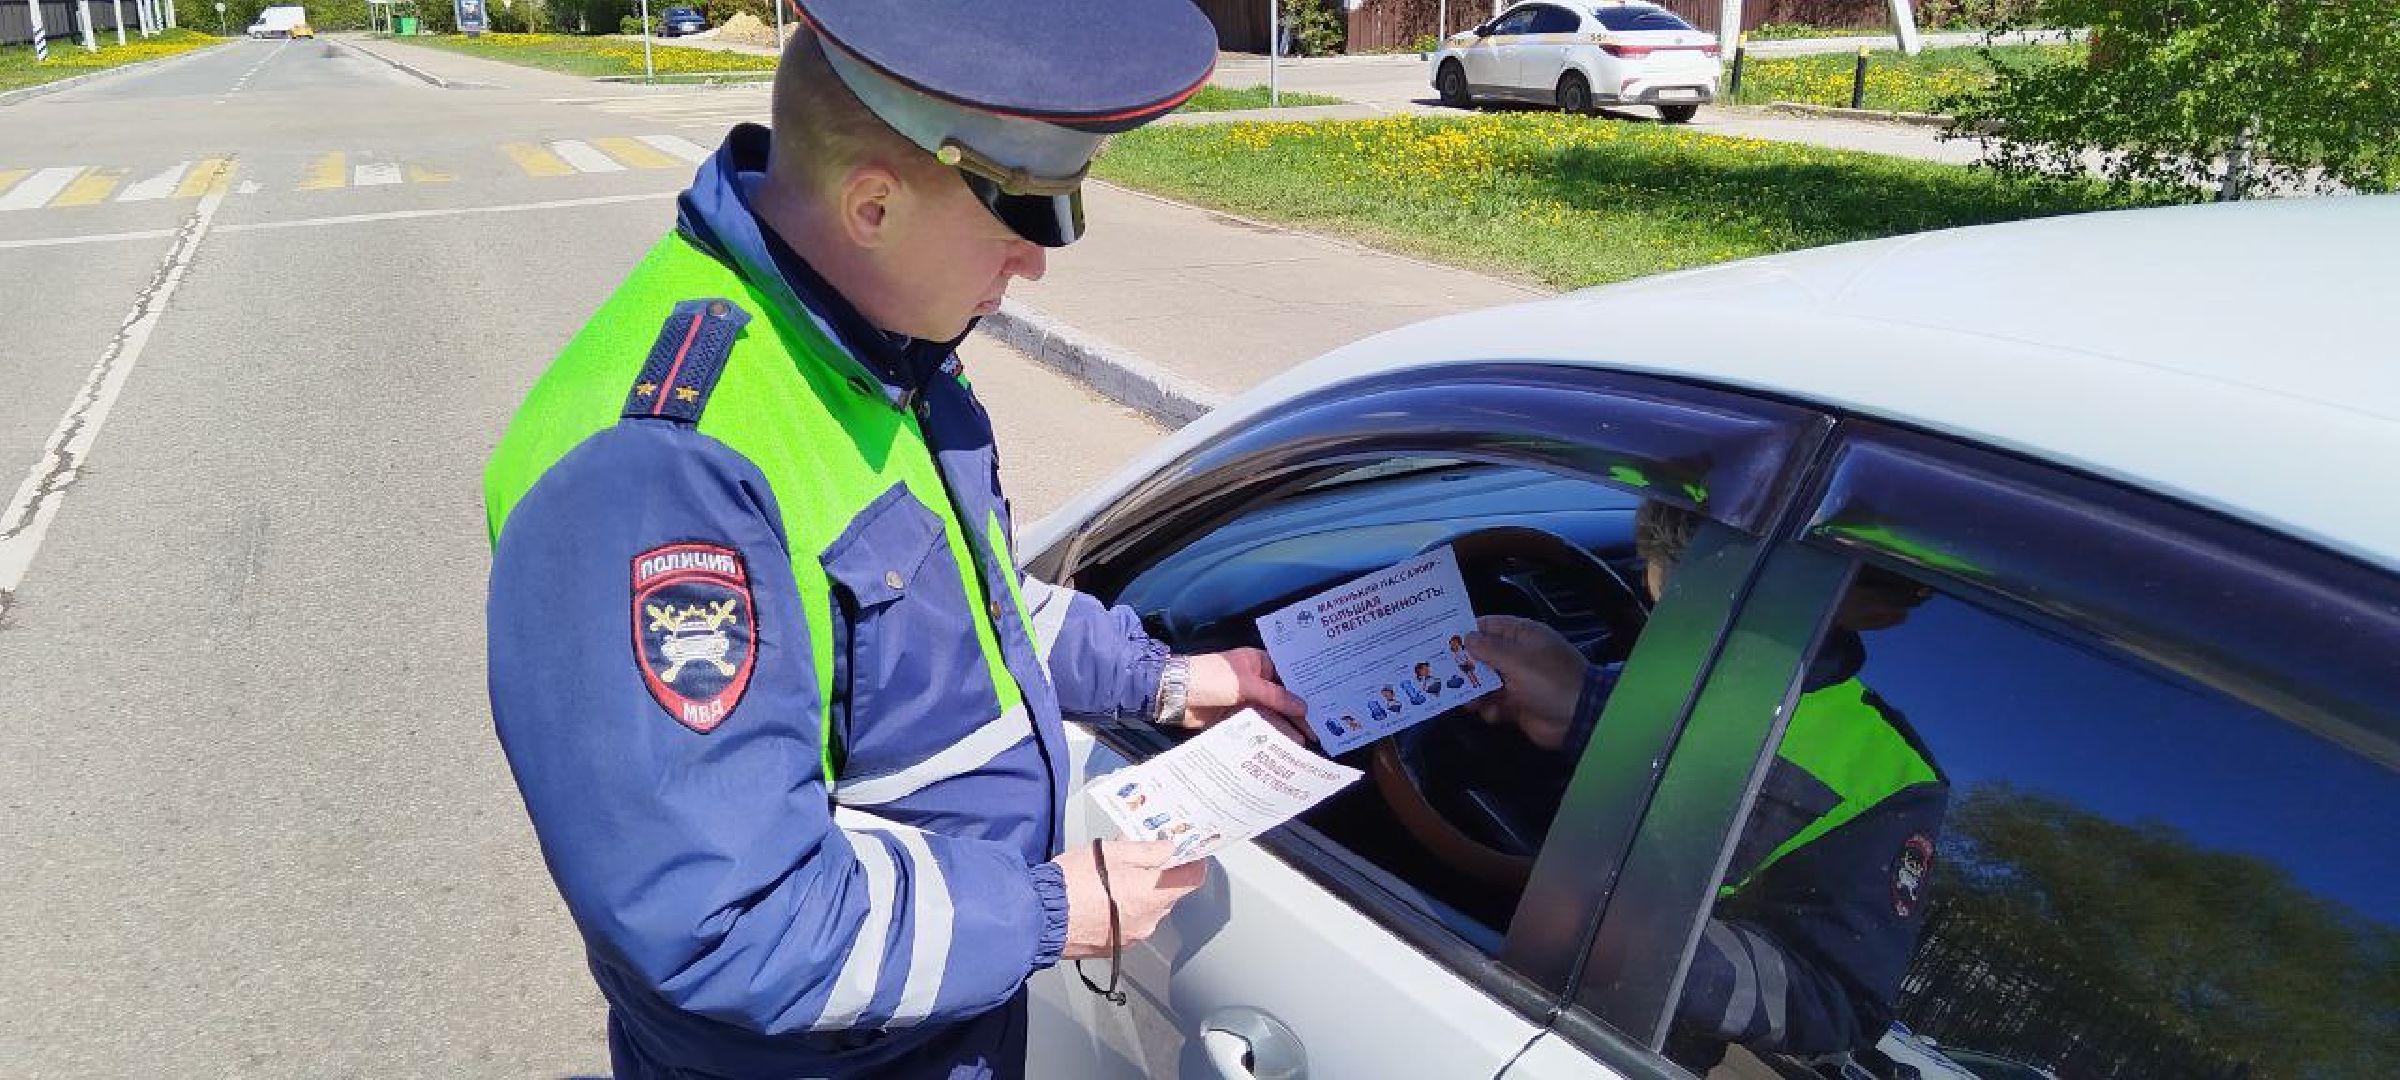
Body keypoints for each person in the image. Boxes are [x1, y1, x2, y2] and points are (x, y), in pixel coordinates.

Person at [479, 5, 1304, 1077]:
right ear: (871, 203)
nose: (1040, 263)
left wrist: (1168, 680)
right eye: (1029, 216)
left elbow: (973, 609)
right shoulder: (661, 473)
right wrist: (1055, 910)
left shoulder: (879, 346)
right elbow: (734, 922)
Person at [1467, 503, 1948, 1076]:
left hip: (1615, 1037)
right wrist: (1586, 704)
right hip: (1506, 959)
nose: (1677, 626)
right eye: (1667, 598)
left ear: (1879, 610)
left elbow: (1837, 994)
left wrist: (1653, 945)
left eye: (1712, 600)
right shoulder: (1685, 656)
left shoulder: (1892, 777)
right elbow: (1660, 755)